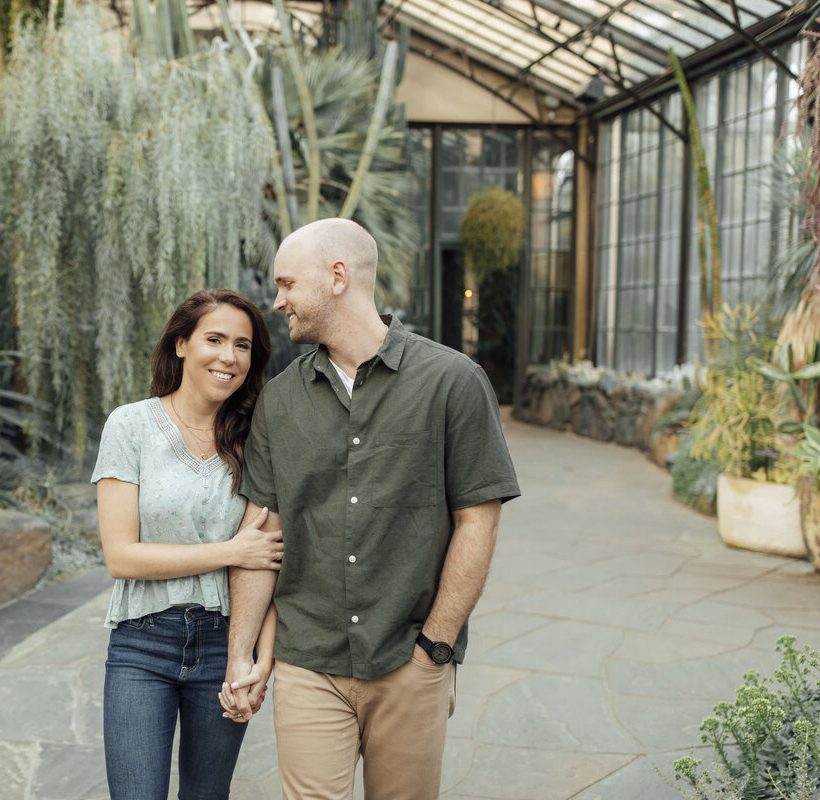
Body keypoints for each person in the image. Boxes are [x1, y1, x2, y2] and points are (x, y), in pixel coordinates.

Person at [219, 219, 521, 800]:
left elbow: (477, 522)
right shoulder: (279, 401)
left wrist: (436, 645)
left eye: (287, 284)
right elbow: (262, 538)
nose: (277, 300)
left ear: (337, 277)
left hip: (409, 660)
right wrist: (244, 655)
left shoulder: (453, 382)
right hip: (308, 660)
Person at [93, 288, 282, 800]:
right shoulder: (130, 426)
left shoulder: (256, 438)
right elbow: (121, 556)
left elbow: (266, 562)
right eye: (214, 339)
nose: (229, 357)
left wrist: (259, 661)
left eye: (242, 345)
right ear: (181, 344)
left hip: (226, 644)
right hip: (142, 644)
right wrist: (227, 551)